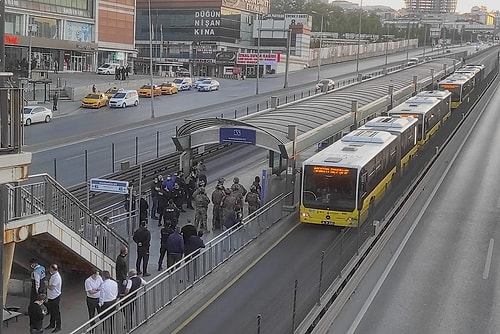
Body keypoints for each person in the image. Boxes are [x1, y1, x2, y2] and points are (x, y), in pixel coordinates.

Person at [45, 264, 62, 333]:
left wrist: (45, 285)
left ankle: (58, 326)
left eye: (50, 268)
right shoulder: (53, 276)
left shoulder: (57, 277)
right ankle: (52, 324)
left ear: (53, 269)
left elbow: (52, 287)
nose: (49, 270)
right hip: (51, 296)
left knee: (56, 312)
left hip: (55, 296)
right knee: (52, 311)